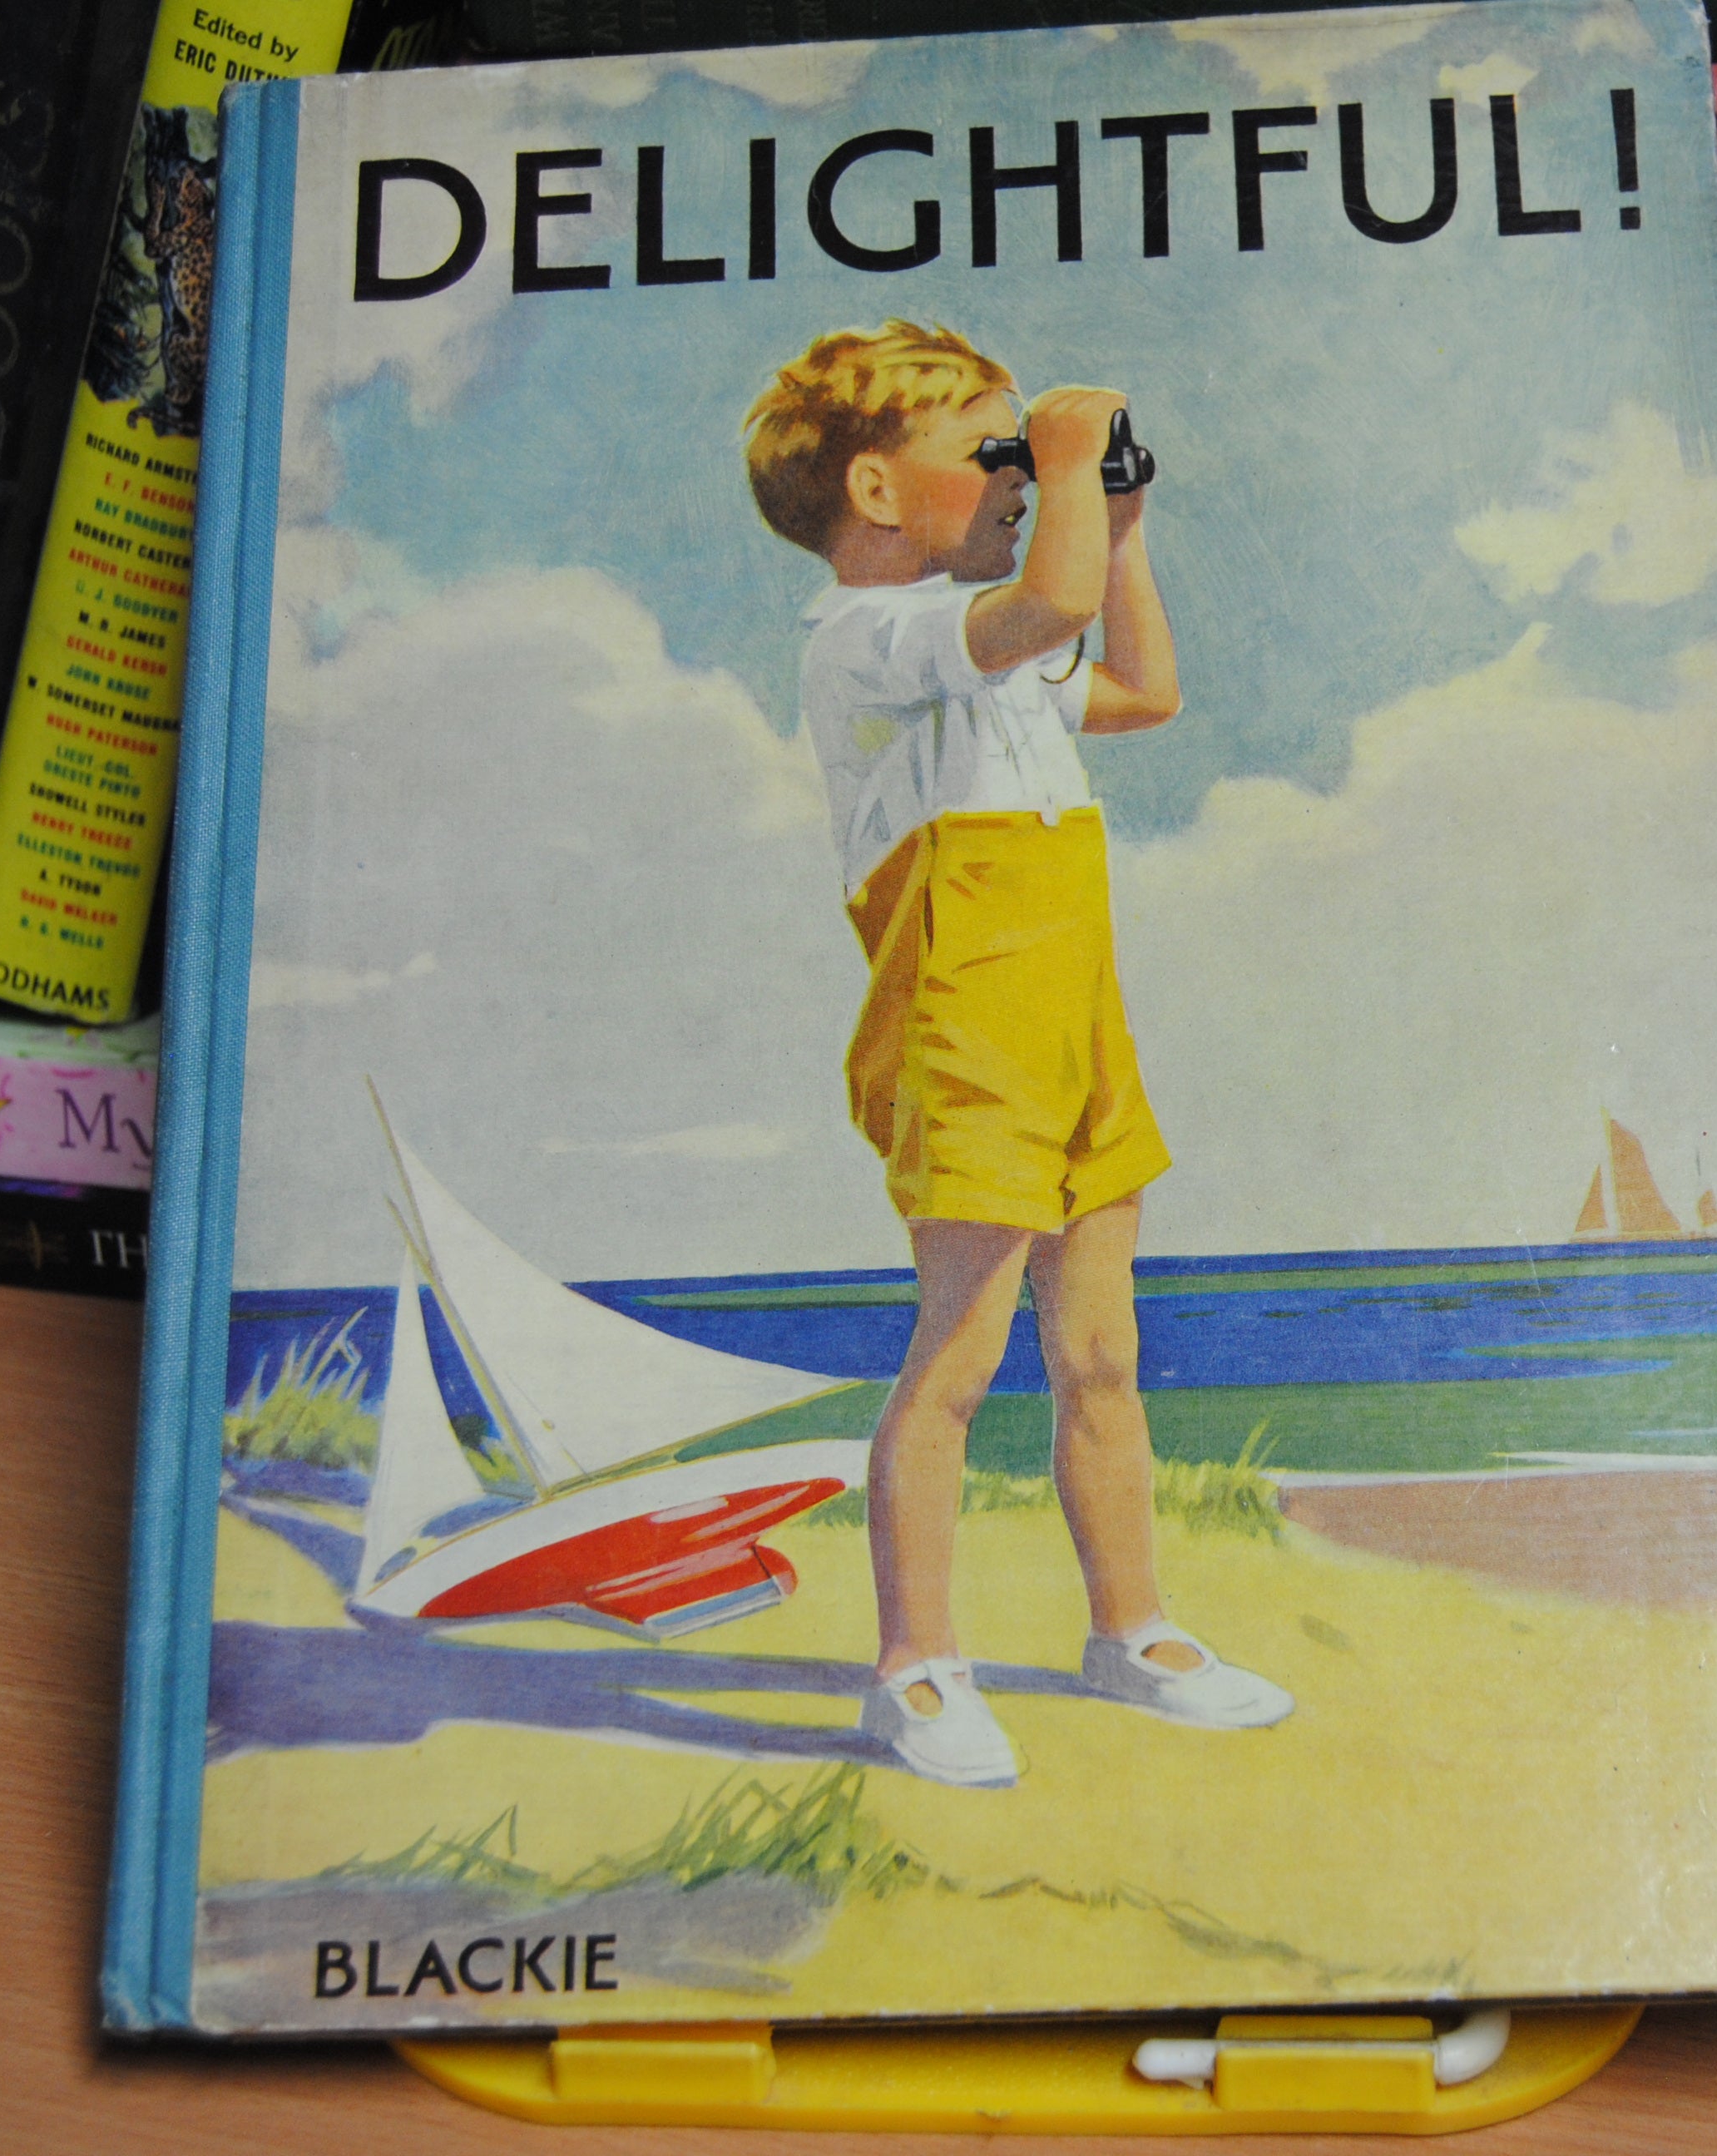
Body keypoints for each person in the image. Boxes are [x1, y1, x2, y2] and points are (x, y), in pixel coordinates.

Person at [741, 320, 1293, 1788]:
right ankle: (916, 1665)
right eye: (989, 456)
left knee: (1102, 1351)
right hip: (967, 1027)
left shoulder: (991, 649)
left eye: (1020, 459)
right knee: (961, 1357)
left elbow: (1147, 691)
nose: (1017, 483)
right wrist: (1062, 468)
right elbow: (1046, 606)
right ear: (874, 492)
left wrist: (1118, 520)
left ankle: (1132, 1629)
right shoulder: (870, 640)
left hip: (1073, 1023)